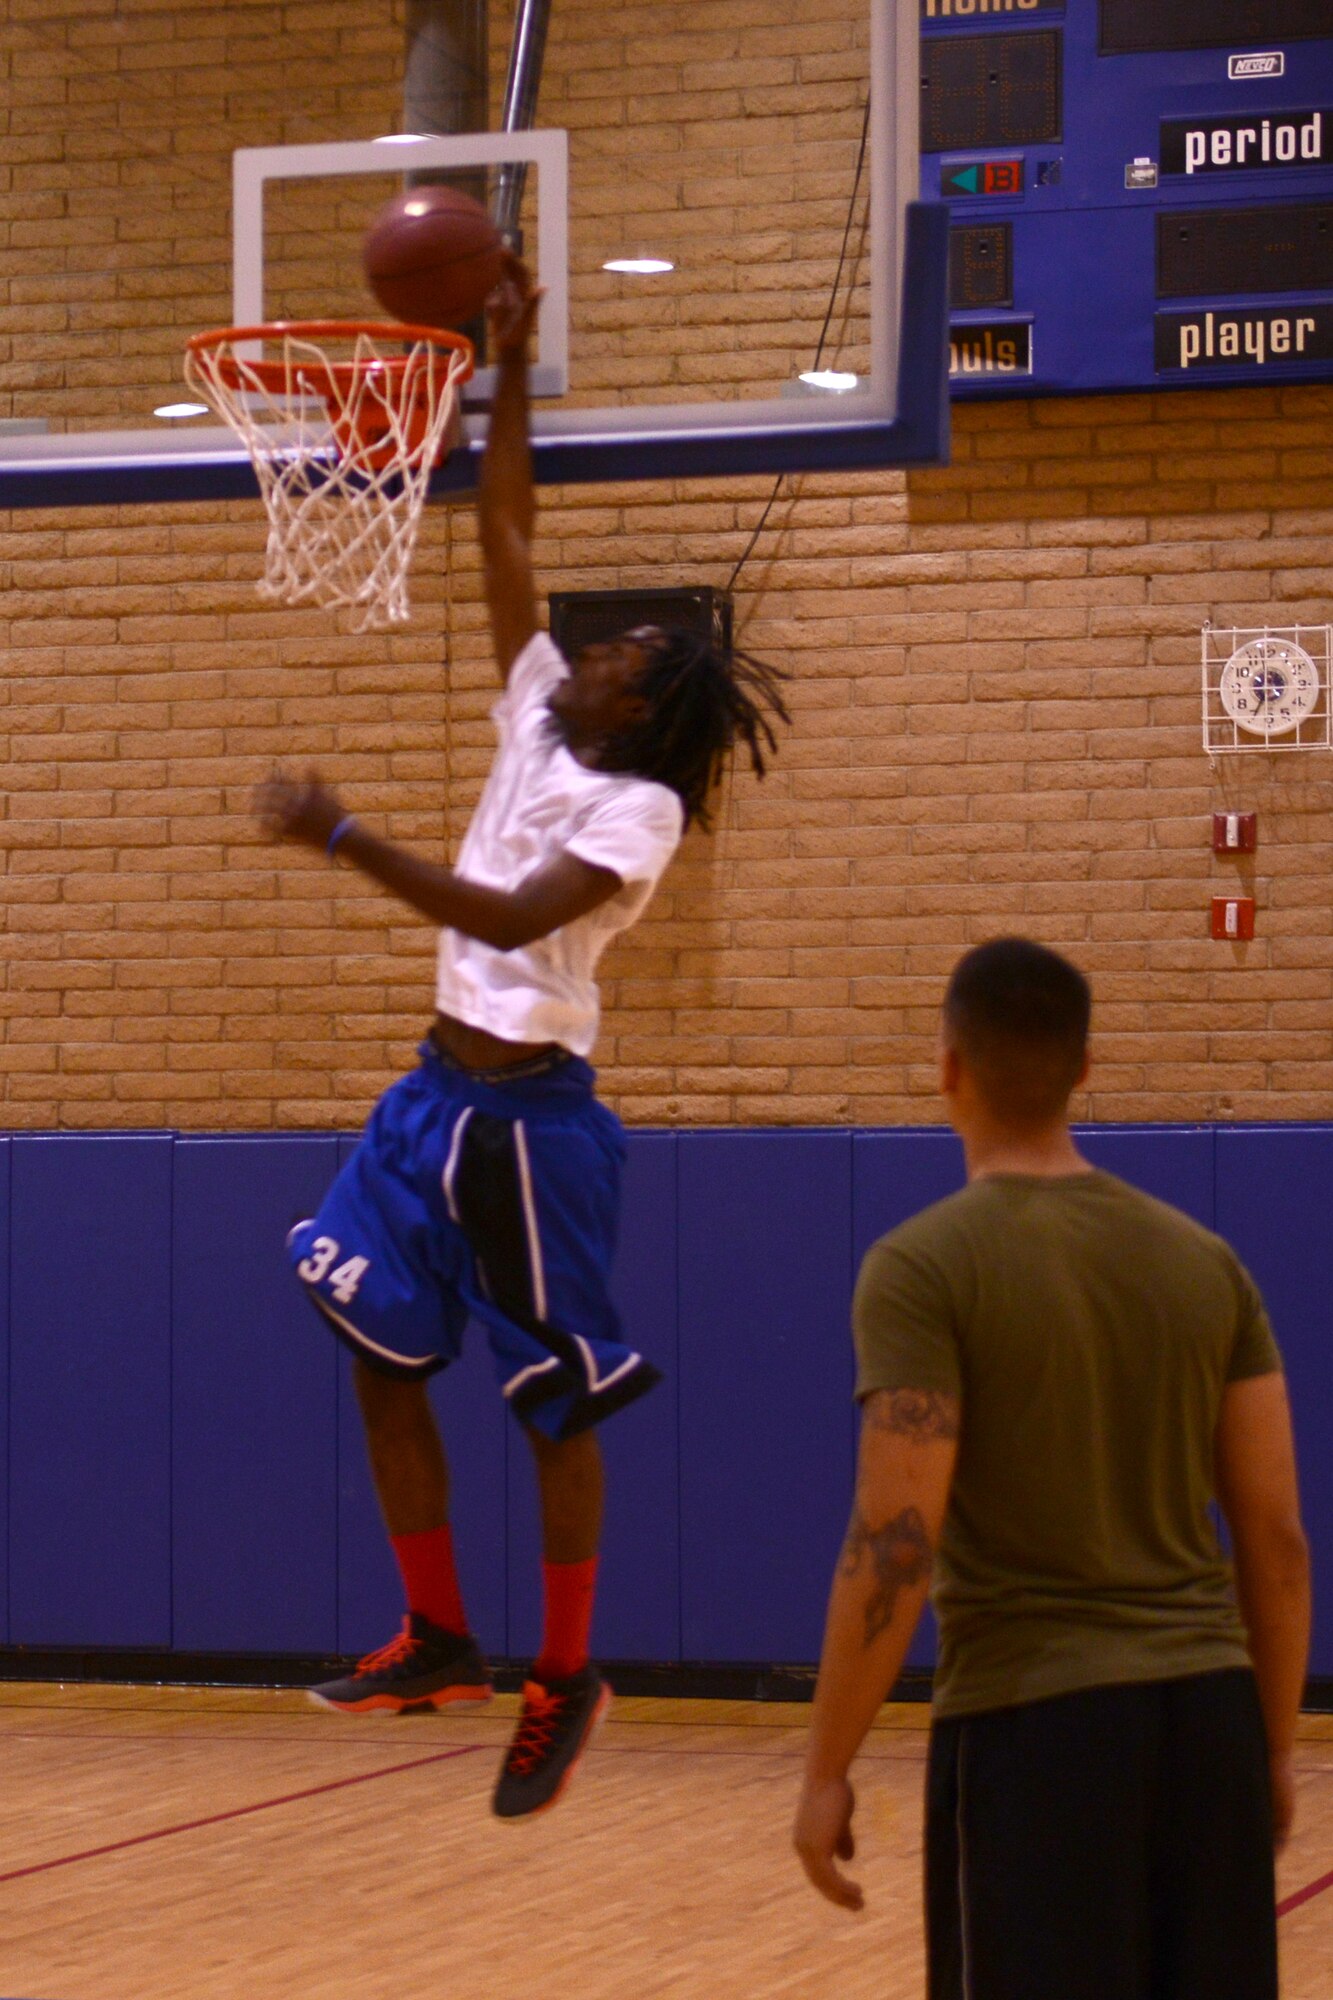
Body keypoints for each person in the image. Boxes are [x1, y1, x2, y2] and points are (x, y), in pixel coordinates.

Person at [256, 256, 786, 1821]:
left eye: (629, 658)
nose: (599, 648)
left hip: (530, 1128)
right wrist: (501, 369)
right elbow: (503, 533)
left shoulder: (640, 811)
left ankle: (566, 1670)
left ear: (650, 714)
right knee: (373, 1348)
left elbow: (502, 921)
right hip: (428, 1100)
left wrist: (343, 834)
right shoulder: (538, 708)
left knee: (557, 1403)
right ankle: (437, 1634)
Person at [793, 936, 1310, 1999]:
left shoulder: (922, 1264)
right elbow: (1277, 1539)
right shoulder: (1205, 1263)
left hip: (1036, 1733)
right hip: (1208, 1722)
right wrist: (1266, 1749)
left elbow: (896, 1539)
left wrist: (826, 1766)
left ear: (947, 1066)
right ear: (1083, 1067)